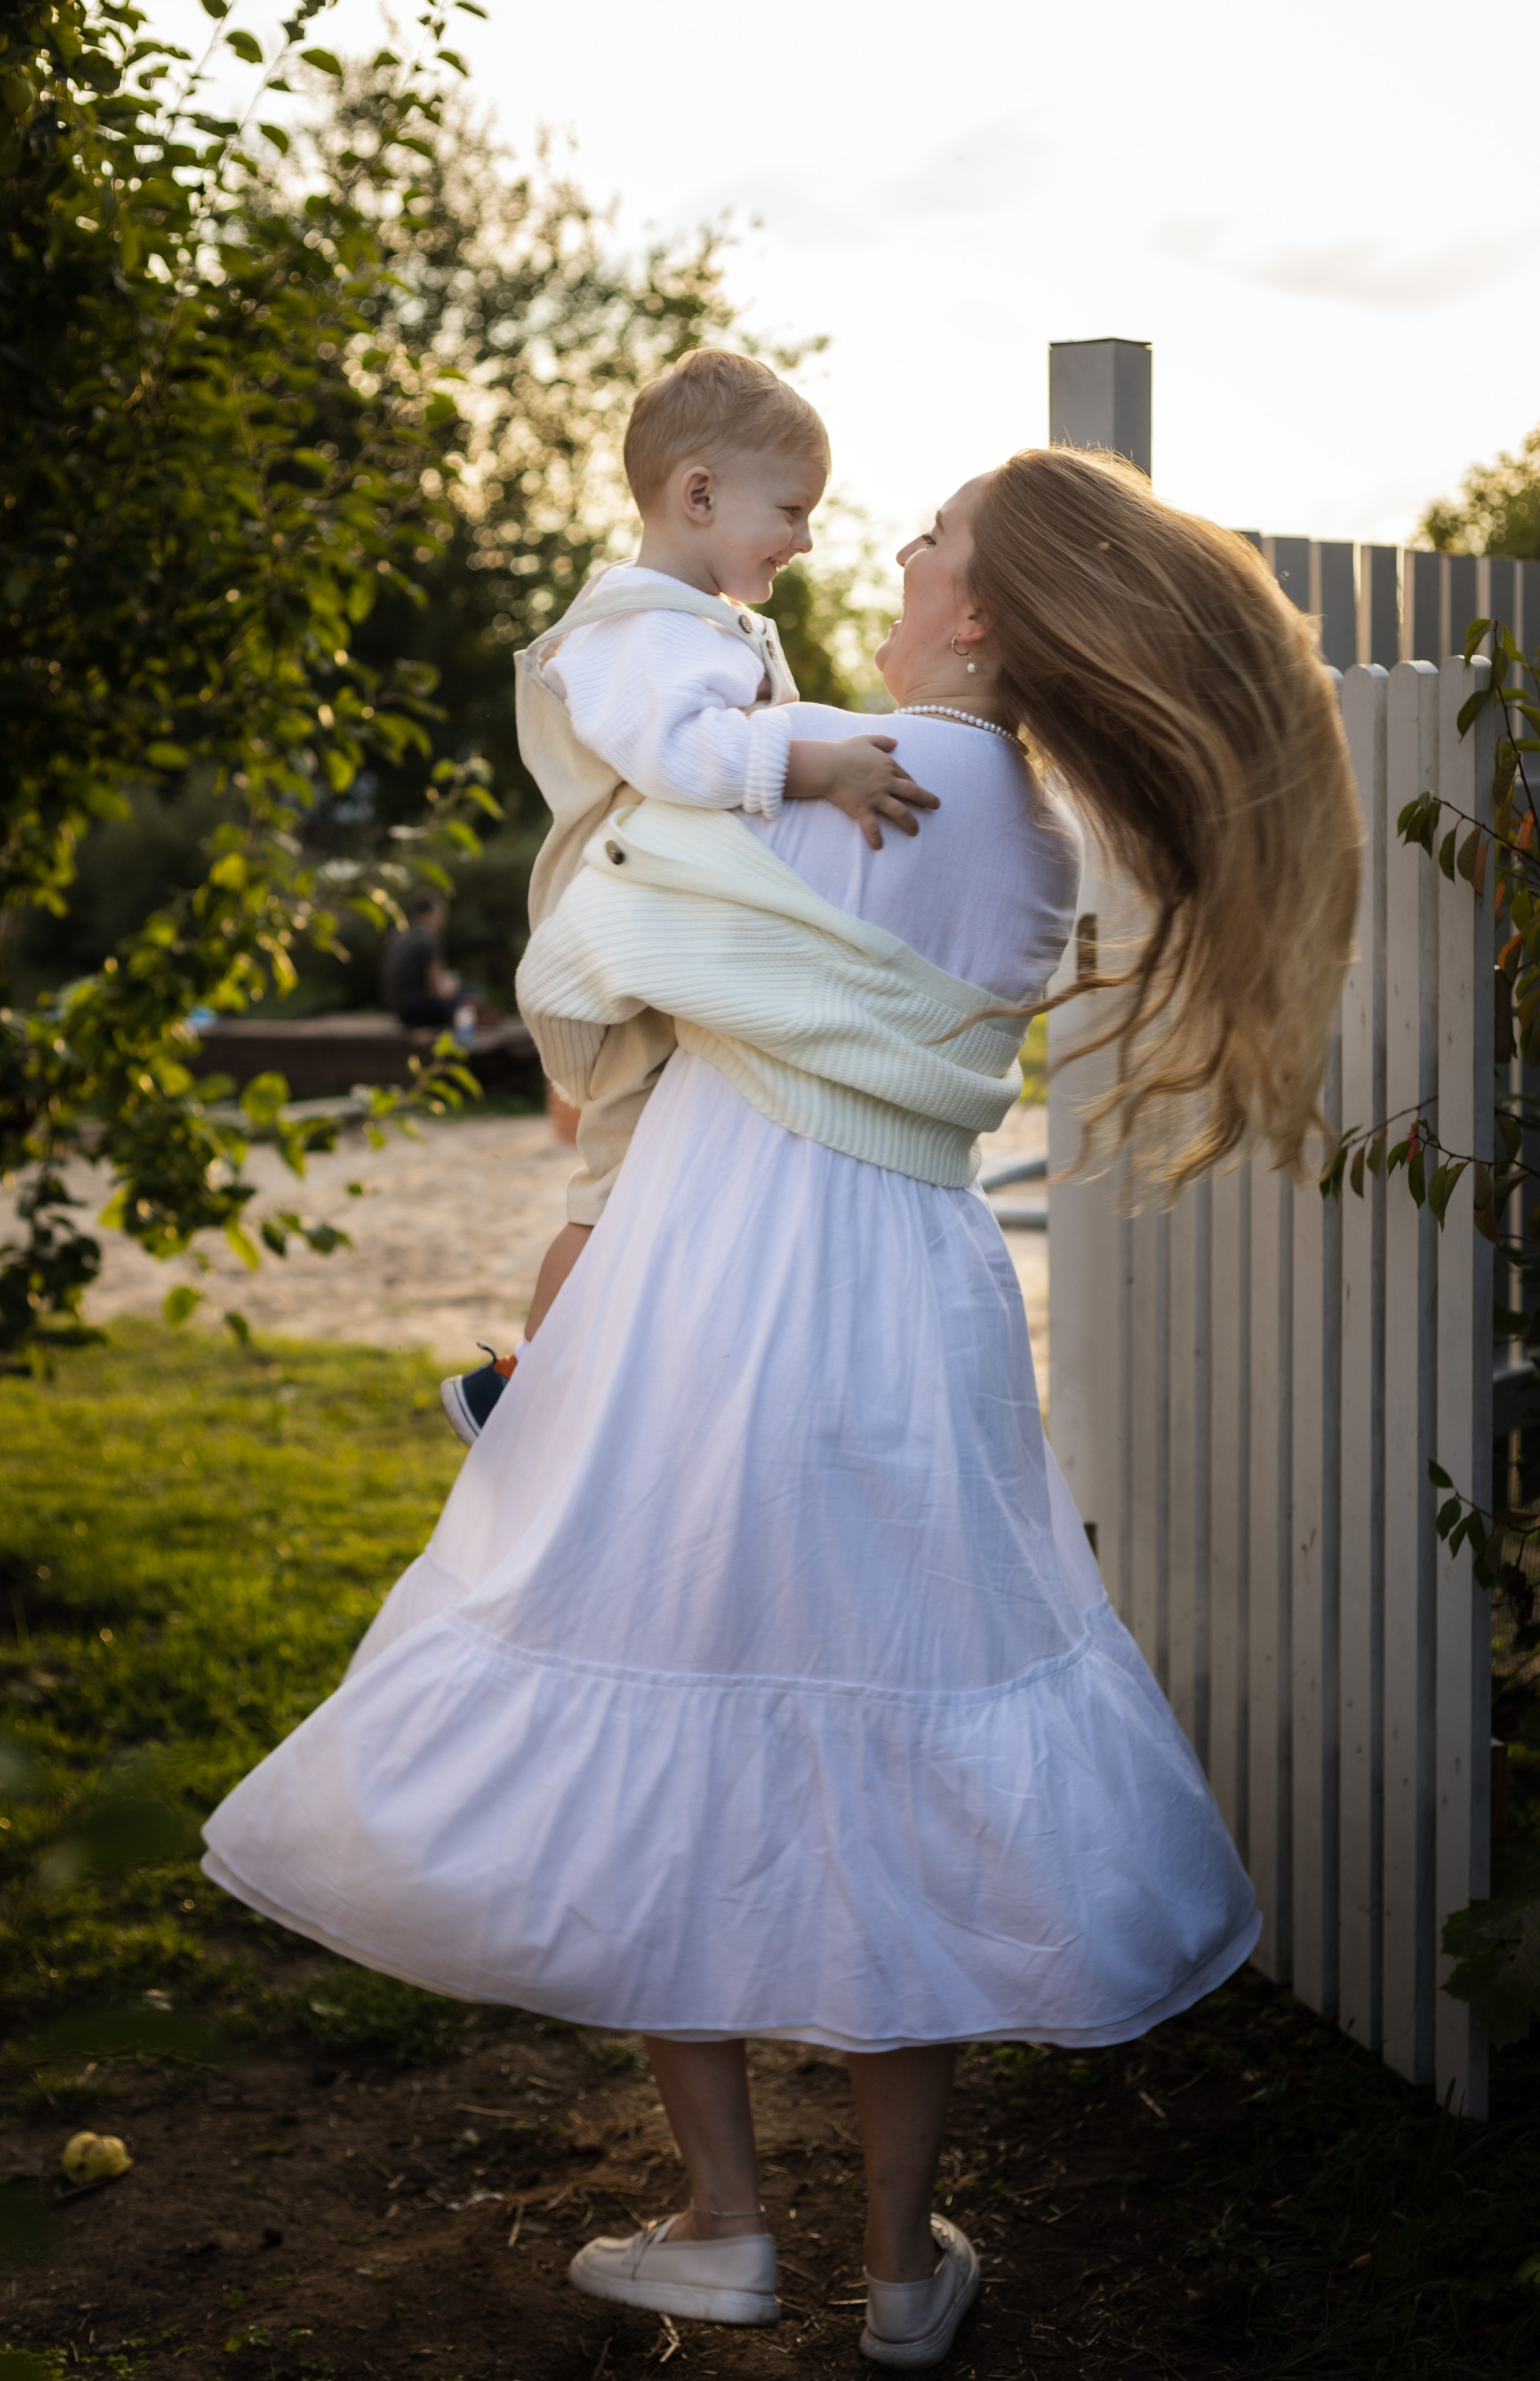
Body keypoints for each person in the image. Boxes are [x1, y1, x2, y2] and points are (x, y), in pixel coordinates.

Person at [201, 446, 1361, 2368]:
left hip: (715, 1291)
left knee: (669, 1688)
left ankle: (726, 2218)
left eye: (929, 540)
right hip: (907, 1309)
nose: (892, 558)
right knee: (890, 1736)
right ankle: (901, 2264)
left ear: (977, 610)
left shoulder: (839, 763)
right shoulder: (1038, 832)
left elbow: (590, 933)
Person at [438, 347, 936, 1443]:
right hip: (624, 939)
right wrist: (826, 768)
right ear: (699, 494)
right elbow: (682, 755)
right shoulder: (635, 629)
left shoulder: (691, 620)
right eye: (793, 510)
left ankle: (646, 1378)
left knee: (681, 1171)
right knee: (616, 1185)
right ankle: (519, 1397)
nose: (806, 540)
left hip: (674, 934)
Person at [378, 891, 477, 1035]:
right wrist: (451, 988)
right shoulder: (428, 939)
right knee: (471, 993)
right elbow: (437, 990)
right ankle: (467, 1039)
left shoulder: (398, 936)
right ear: (433, 914)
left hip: (397, 1010)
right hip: (421, 1013)